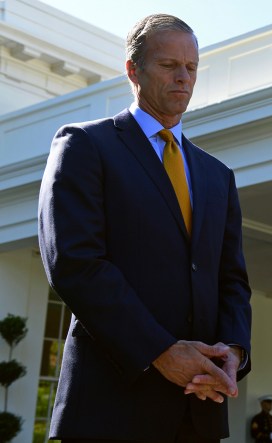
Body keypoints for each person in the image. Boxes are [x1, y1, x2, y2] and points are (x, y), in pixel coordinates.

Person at [37, 14, 252, 442]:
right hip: (112, 408)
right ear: (133, 71)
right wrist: (160, 351)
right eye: (168, 65)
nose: (183, 77)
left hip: (199, 410)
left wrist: (232, 351)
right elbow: (75, 263)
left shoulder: (217, 175)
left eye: (191, 67)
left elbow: (232, 281)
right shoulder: (85, 145)